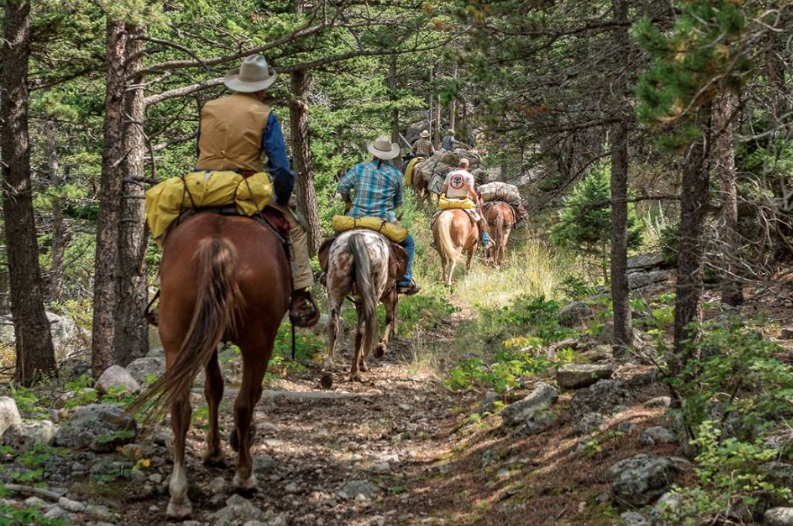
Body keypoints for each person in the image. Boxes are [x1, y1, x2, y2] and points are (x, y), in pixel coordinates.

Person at [195, 54, 318, 327]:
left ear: (237, 84)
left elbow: (200, 152)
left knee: (175, 222)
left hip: (202, 186)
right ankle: (300, 294)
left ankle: (162, 288)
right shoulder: (264, 115)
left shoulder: (209, 109)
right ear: (262, 88)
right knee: (297, 230)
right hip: (244, 187)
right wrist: (285, 200)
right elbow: (282, 170)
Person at [337, 136, 421, 295]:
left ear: (373, 153)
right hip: (383, 220)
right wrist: (389, 207)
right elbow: (399, 201)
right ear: (389, 155)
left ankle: (328, 273)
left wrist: (348, 201)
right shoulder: (396, 174)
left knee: (336, 239)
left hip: (356, 218)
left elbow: (342, 187)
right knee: (409, 244)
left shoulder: (359, 168)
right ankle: (405, 280)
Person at [441, 158, 493, 248]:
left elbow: (443, 190)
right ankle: (485, 239)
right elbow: (470, 190)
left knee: (437, 217)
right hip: (464, 202)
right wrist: (476, 198)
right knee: (480, 217)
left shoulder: (450, 174)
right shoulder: (469, 176)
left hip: (449, 202)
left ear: (458, 165)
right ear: (468, 166)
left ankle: (435, 241)